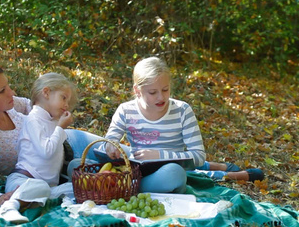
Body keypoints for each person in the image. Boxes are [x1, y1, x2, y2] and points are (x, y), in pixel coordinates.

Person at [0, 63, 104, 223]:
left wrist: (58, 105)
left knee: (110, 152)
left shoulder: (11, 105)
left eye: (8, 86)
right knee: (91, 183)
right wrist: (0, 199)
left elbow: (37, 105)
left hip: (68, 142)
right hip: (39, 177)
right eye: (2, 91)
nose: (11, 92)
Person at [102, 57, 263, 194]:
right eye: (153, 92)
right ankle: (217, 167)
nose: (161, 97)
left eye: (165, 90)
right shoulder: (125, 110)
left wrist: (159, 155)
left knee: (175, 173)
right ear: (137, 91)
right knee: (80, 157)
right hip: (139, 168)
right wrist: (111, 147)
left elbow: (198, 156)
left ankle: (235, 175)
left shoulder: (182, 110)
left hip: (173, 167)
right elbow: (109, 140)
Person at [0, 73, 77, 223]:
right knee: (40, 187)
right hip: (22, 181)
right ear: (46, 93)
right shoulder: (33, 119)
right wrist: (60, 128)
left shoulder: (52, 121)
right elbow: (46, 152)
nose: (66, 105)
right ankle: (9, 207)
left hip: (47, 187)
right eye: (63, 98)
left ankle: (45, 199)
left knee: (76, 188)